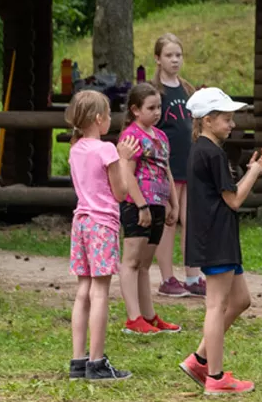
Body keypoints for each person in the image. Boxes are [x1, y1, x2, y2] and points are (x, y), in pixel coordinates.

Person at [177, 88, 262, 396]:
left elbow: (225, 195)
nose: (232, 124)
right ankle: (215, 377)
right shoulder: (212, 153)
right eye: (227, 119)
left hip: (220, 236)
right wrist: (255, 171)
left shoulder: (204, 149)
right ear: (207, 120)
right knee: (216, 306)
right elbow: (234, 200)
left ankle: (199, 360)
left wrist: (249, 171)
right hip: (215, 238)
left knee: (240, 300)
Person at [65, 90, 140, 382]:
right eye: (108, 115)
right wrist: (123, 159)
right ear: (99, 118)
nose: (110, 119)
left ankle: (78, 361)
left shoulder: (75, 150)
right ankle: (96, 363)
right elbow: (120, 193)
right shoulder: (106, 150)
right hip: (102, 225)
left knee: (83, 290)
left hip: (81, 223)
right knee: (99, 292)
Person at [117, 82, 182, 335]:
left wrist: (174, 203)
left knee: (145, 264)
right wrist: (141, 206)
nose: (157, 112)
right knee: (131, 261)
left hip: (159, 204)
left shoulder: (161, 137)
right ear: (135, 110)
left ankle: (149, 316)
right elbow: (128, 174)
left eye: (159, 107)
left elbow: (167, 171)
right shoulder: (131, 137)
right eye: (151, 108)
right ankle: (133, 318)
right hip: (138, 205)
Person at [152, 33, 203, 298]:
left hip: (189, 163)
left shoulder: (187, 89)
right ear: (157, 58)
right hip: (166, 167)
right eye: (169, 55)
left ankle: (193, 277)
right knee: (169, 220)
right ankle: (167, 278)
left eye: (178, 55)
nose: (174, 60)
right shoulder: (155, 92)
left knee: (191, 220)